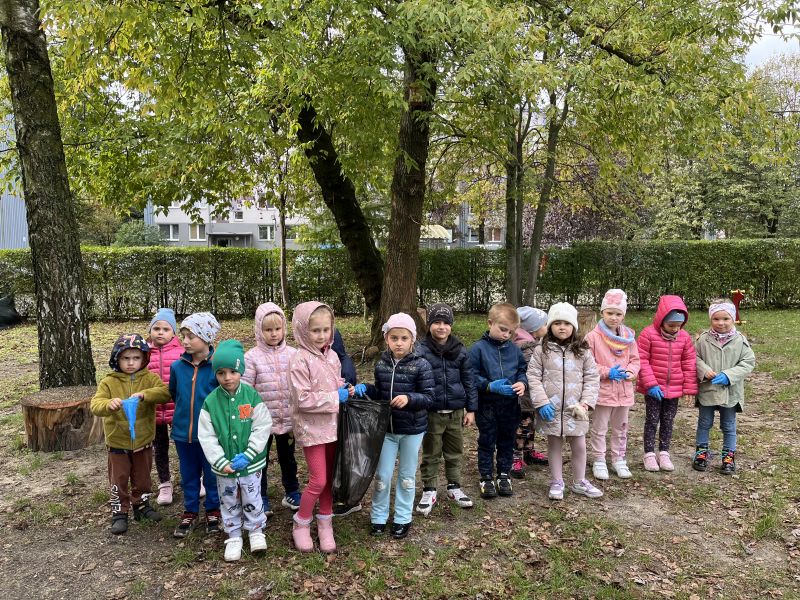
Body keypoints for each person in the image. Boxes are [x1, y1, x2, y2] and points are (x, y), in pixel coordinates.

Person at [359, 313, 434, 539]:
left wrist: (409, 398)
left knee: (406, 476)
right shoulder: (381, 364)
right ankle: (378, 517)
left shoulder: (422, 365)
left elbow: (429, 397)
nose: (399, 343)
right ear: (386, 339)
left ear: (413, 339)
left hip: (412, 430)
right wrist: (366, 389)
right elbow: (380, 392)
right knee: (382, 476)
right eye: (394, 338)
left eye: (404, 338)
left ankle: (402, 517)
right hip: (387, 431)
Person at [199, 339, 272, 561]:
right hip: (226, 467)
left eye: (232, 371)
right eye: (221, 373)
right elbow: (207, 435)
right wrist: (220, 460)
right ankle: (233, 534)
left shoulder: (251, 396)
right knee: (228, 498)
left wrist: (250, 453)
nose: (227, 377)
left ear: (241, 371)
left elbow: (262, 426)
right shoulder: (211, 402)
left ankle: (256, 530)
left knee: (252, 495)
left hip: (250, 464)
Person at [90, 334, 170, 534]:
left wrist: (145, 395)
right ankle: (119, 512)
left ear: (144, 358)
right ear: (116, 358)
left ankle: (141, 506)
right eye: (126, 358)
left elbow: (165, 393)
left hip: (143, 441)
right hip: (117, 442)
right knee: (119, 479)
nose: (131, 363)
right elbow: (95, 405)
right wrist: (108, 404)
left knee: (143, 478)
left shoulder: (150, 378)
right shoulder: (109, 382)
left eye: (136, 358)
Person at [288, 301, 352, 553]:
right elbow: (302, 399)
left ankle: (325, 521)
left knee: (329, 479)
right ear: (303, 330)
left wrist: (344, 388)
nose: (322, 335)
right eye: (315, 330)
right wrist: (335, 397)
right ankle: (301, 522)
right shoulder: (299, 360)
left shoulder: (333, 355)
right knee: (318, 479)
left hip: (332, 427)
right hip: (312, 429)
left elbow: (332, 382)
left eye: (326, 330)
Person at [528, 303, 602, 500]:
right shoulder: (541, 350)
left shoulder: (582, 350)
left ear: (574, 326)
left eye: (567, 323)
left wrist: (586, 403)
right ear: (550, 326)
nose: (562, 327)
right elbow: (533, 377)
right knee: (554, 445)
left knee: (579, 445)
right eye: (557, 323)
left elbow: (592, 377)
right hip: (551, 409)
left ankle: (579, 481)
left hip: (575, 409)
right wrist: (541, 402)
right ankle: (556, 481)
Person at [415, 304, 476, 517]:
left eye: (446, 323)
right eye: (437, 322)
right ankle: (429, 489)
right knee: (431, 452)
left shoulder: (460, 350)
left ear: (451, 325)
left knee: (454, 451)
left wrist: (471, 409)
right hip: (431, 412)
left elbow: (469, 380)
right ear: (429, 325)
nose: (442, 327)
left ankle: (454, 486)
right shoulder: (420, 350)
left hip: (456, 411)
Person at [242, 302, 300, 518]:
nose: (274, 334)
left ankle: (292, 491)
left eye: (277, 328)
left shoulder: (294, 354)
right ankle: (261, 495)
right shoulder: (251, 357)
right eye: (268, 329)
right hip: (261, 422)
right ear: (259, 330)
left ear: (284, 328)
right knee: (260, 460)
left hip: (287, 419)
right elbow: (245, 390)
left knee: (288, 458)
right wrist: (245, 419)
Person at [170, 312, 222, 537]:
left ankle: (213, 509)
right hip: (183, 433)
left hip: (210, 435)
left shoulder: (217, 367)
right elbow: (175, 394)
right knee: (188, 475)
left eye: (191, 336)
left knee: (211, 474)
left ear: (207, 337)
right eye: (183, 336)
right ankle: (190, 511)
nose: (185, 341)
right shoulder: (177, 367)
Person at [468, 302, 528, 499]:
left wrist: (522, 383)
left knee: (507, 441)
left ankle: (504, 474)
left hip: (510, 405)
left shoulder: (514, 350)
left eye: (511, 332)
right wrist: (488, 385)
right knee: (487, 440)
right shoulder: (478, 349)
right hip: (487, 405)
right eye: (503, 329)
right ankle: (486, 476)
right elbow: (470, 375)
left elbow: (522, 370)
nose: (506, 335)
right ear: (490, 323)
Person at [693, 300, 755, 475]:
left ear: (733, 319)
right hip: (708, 389)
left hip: (730, 392)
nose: (721, 323)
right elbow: (694, 357)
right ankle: (701, 452)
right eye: (716, 319)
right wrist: (704, 370)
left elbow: (748, 362)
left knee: (729, 425)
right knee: (704, 422)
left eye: (726, 318)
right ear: (710, 319)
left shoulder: (740, 340)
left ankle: (728, 456)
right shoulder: (703, 339)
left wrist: (729, 375)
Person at [637, 296, 697, 472]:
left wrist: (689, 388)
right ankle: (649, 453)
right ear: (661, 320)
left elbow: (689, 362)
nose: (675, 329)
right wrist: (651, 384)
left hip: (674, 388)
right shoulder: (648, 334)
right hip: (654, 388)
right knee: (652, 420)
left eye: (679, 325)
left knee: (668, 420)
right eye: (671, 325)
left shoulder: (684, 337)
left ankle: (664, 452)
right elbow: (642, 359)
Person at [585, 290, 641, 480]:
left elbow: (635, 359)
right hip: (603, 391)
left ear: (623, 315)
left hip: (623, 391)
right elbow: (588, 363)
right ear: (602, 312)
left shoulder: (629, 337)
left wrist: (631, 372)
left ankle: (618, 458)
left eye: (618, 314)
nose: (613, 317)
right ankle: (599, 459)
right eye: (609, 313)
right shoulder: (592, 337)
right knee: (600, 428)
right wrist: (607, 372)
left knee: (621, 427)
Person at [145, 307, 183, 506]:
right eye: (156, 328)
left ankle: (194, 478)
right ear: (150, 330)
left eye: (166, 329)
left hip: (177, 409)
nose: (160, 332)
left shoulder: (181, 352)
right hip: (153, 411)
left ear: (173, 332)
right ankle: (165, 484)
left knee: (184, 446)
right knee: (159, 449)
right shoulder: (144, 353)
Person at [511, 306, 549, 479]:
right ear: (533, 328)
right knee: (521, 427)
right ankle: (515, 457)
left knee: (530, 425)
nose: (547, 327)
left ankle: (528, 451)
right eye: (544, 324)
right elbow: (531, 371)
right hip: (523, 397)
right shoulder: (526, 347)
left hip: (531, 396)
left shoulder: (534, 344)